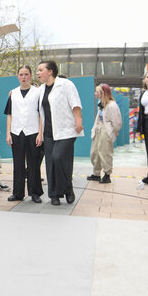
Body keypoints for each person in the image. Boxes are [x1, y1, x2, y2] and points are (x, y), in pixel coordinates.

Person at [37, 60, 83, 206]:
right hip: (49, 132)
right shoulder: (41, 90)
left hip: (67, 130)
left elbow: (75, 103)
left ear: (50, 71)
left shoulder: (66, 85)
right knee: (50, 162)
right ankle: (54, 195)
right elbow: (39, 110)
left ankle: (68, 189)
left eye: (40, 70)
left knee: (59, 159)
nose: (37, 73)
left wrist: (78, 121)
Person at [5, 65, 43, 202]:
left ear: (31, 76)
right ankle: (18, 193)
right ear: (17, 76)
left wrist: (40, 133)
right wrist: (8, 133)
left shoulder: (37, 92)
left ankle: (35, 193)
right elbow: (9, 114)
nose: (24, 77)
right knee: (18, 163)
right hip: (16, 132)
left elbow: (41, 114)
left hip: (33, 132)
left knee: (33, 163)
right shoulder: (13, 93)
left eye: (26, 74)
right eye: (21, 74)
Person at [87, 84, 122, 184]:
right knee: (95, 152)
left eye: (97, 92)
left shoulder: (112, 105)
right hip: (98, 128)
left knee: (105, 152)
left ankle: (107, 174)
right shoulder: (101, 103)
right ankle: (96, 173)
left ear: (103, 93)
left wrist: (114, 131)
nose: (95, 93)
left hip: (106, 130)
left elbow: (117, 121)